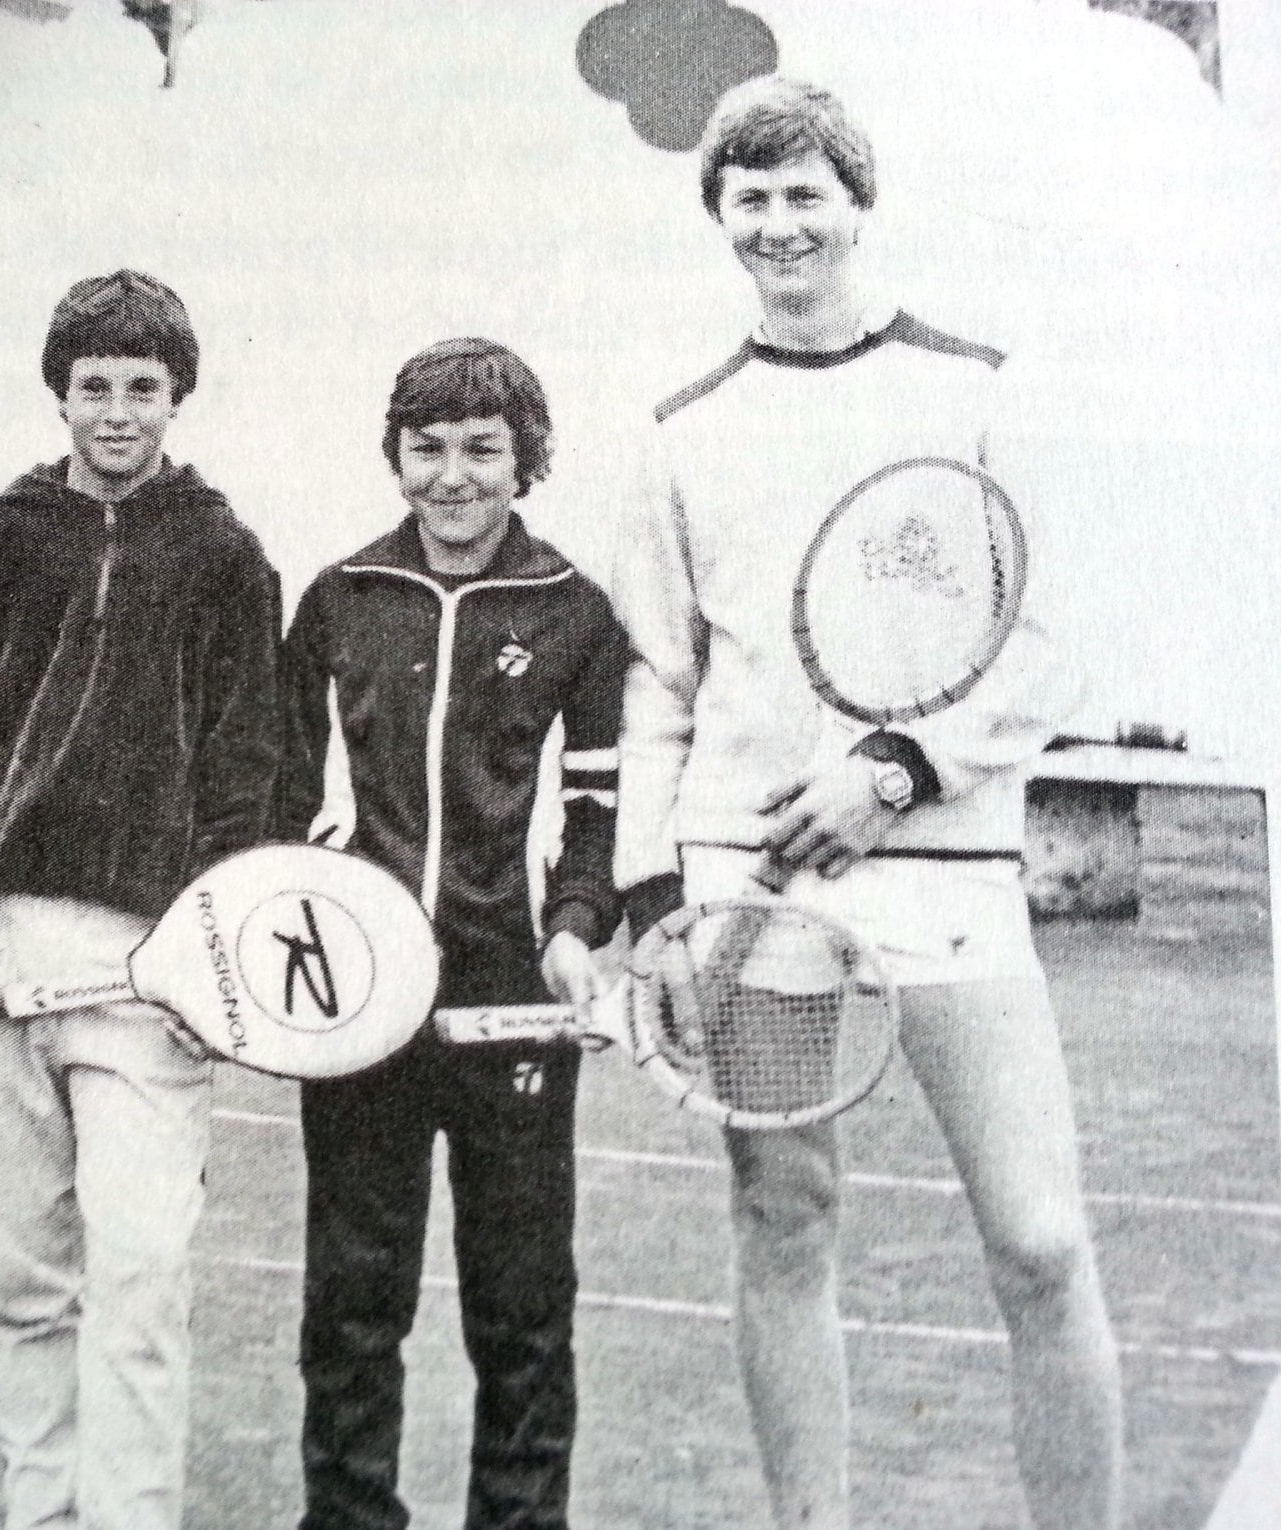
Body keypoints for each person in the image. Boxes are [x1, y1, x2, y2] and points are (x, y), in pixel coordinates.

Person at [612, 77, 1122, 1530]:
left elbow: (1049, 641)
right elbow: (661, 681)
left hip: (946, 871)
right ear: (721, 217)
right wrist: (658, 895)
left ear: (858, 203)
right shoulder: (678, 428)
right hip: (755, 892)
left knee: (1038, 1241)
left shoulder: (974, 388)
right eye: (750, 197)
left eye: (805, 191)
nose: (780, 222)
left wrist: (898, 768)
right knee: (785, 1216)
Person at [0, 270, 280, 1530]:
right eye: (93, 387)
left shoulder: (225, 559)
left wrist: (219, 963)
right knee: (25, 1282)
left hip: (150, 965)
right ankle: (40, 1514)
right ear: (59, 394)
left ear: (177, 398)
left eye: (141, 389)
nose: (115, 412)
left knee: (142, 1276)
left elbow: (248, 779)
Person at [278, 338, 630, 1530]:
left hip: (512, 996)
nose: (453, 476)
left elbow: (598, 811)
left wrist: (578, 929)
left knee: (522, 1306)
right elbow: (280, 803)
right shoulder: (338, 599)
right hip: (361, 1006)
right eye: (426, 448)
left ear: (526, 460)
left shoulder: (578, 612)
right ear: (395, 456)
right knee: (351, 1302)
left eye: (483, 449)